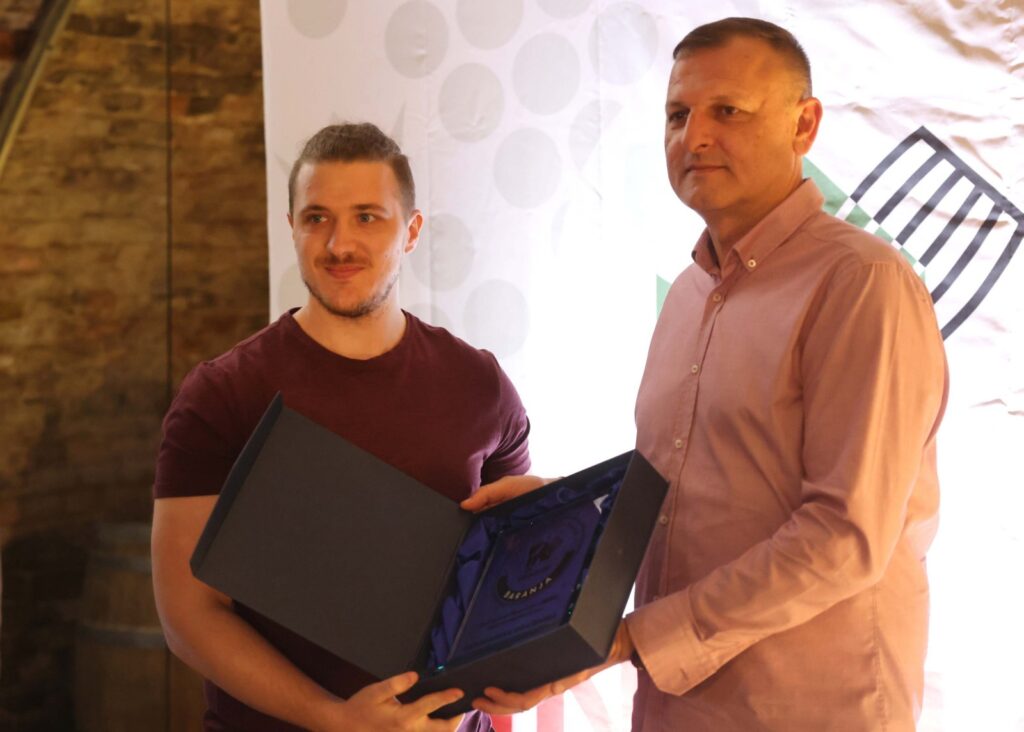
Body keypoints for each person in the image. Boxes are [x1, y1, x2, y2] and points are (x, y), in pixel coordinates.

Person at [468, 17, 948, 731]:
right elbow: (683, 496)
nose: (694, 137)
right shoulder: (689, 295)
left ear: (804, 125)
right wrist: (562, 514)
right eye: (677, 115)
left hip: (811, 710)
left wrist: (627, 640)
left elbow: (843, 539)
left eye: (728, 111)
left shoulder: (860, 283)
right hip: (675, 708)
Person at [151, 122, 537, 732]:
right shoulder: (223, 395)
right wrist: (335, 718)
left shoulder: (480, 385)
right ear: (292, 227)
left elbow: (505, 585)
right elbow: (188, 614)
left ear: (411, 231)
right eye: (317, 218)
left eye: (367, 217)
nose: (339, 244)